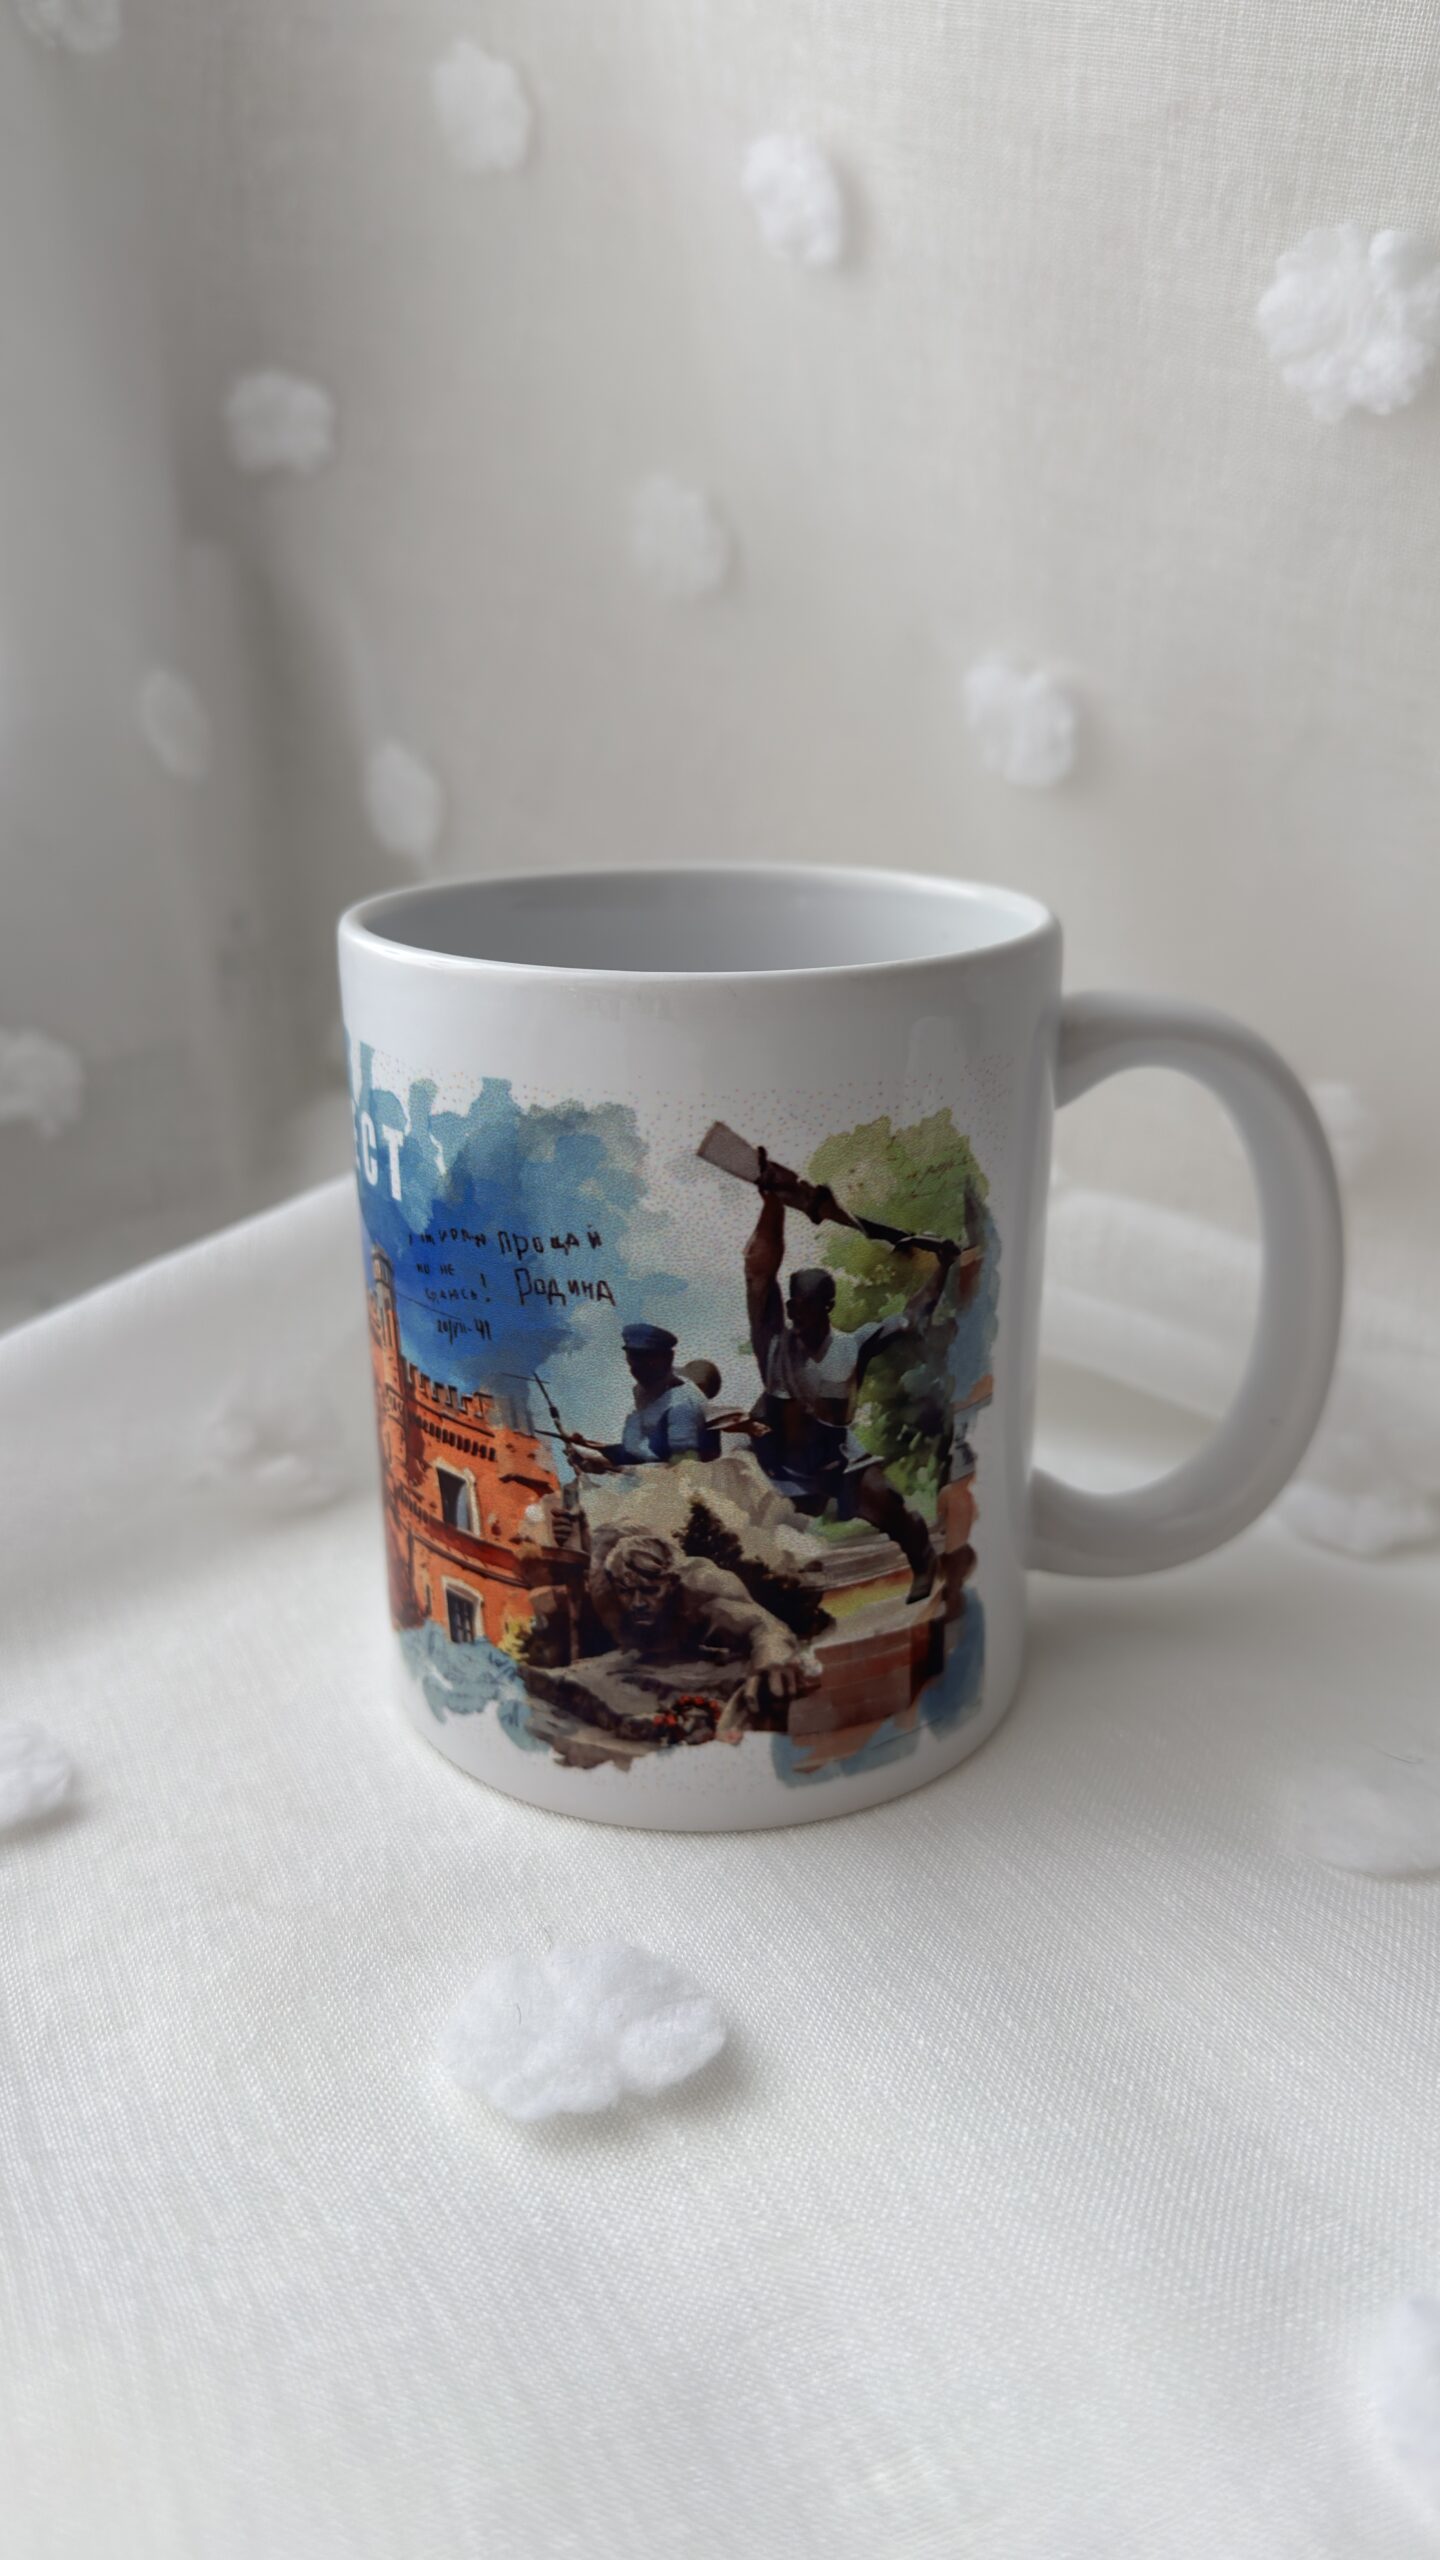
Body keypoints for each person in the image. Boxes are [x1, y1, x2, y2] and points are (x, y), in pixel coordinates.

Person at [742, 1159, 960, 1602]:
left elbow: (912, 1317)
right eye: (792, 1308)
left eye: (806, 1308)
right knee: (750, 1523)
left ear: (827, 1307)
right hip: (779, 1459)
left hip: (836, 1455)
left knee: (894, 1510)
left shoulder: (853, 1345)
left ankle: (925, 1565)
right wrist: (773, 1204)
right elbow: (758, 1272)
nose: (796, 1317)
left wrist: (944, 1266)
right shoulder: (774, 1342)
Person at [567, 1321, 721, 1473]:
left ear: (668, 1360)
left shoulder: (682, 1407)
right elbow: (641, 1451)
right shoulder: (655, 1400)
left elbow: (684, 1469)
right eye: (632, 1362)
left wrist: (610, 1467)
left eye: (646, 1363)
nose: (636, 1371)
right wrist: (591, 1447)